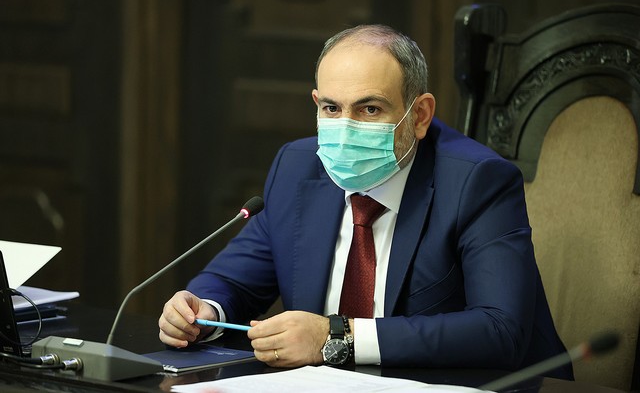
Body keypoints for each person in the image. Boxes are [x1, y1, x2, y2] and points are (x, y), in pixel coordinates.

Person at [158, 24, 573, 379]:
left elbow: (500, 330)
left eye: (370, 109)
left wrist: (335, 337)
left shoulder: (477, 181)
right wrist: (202, 312)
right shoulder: (297, 168)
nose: (345, 128)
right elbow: (234, 283)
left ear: (420, 115)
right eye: (331, 108)